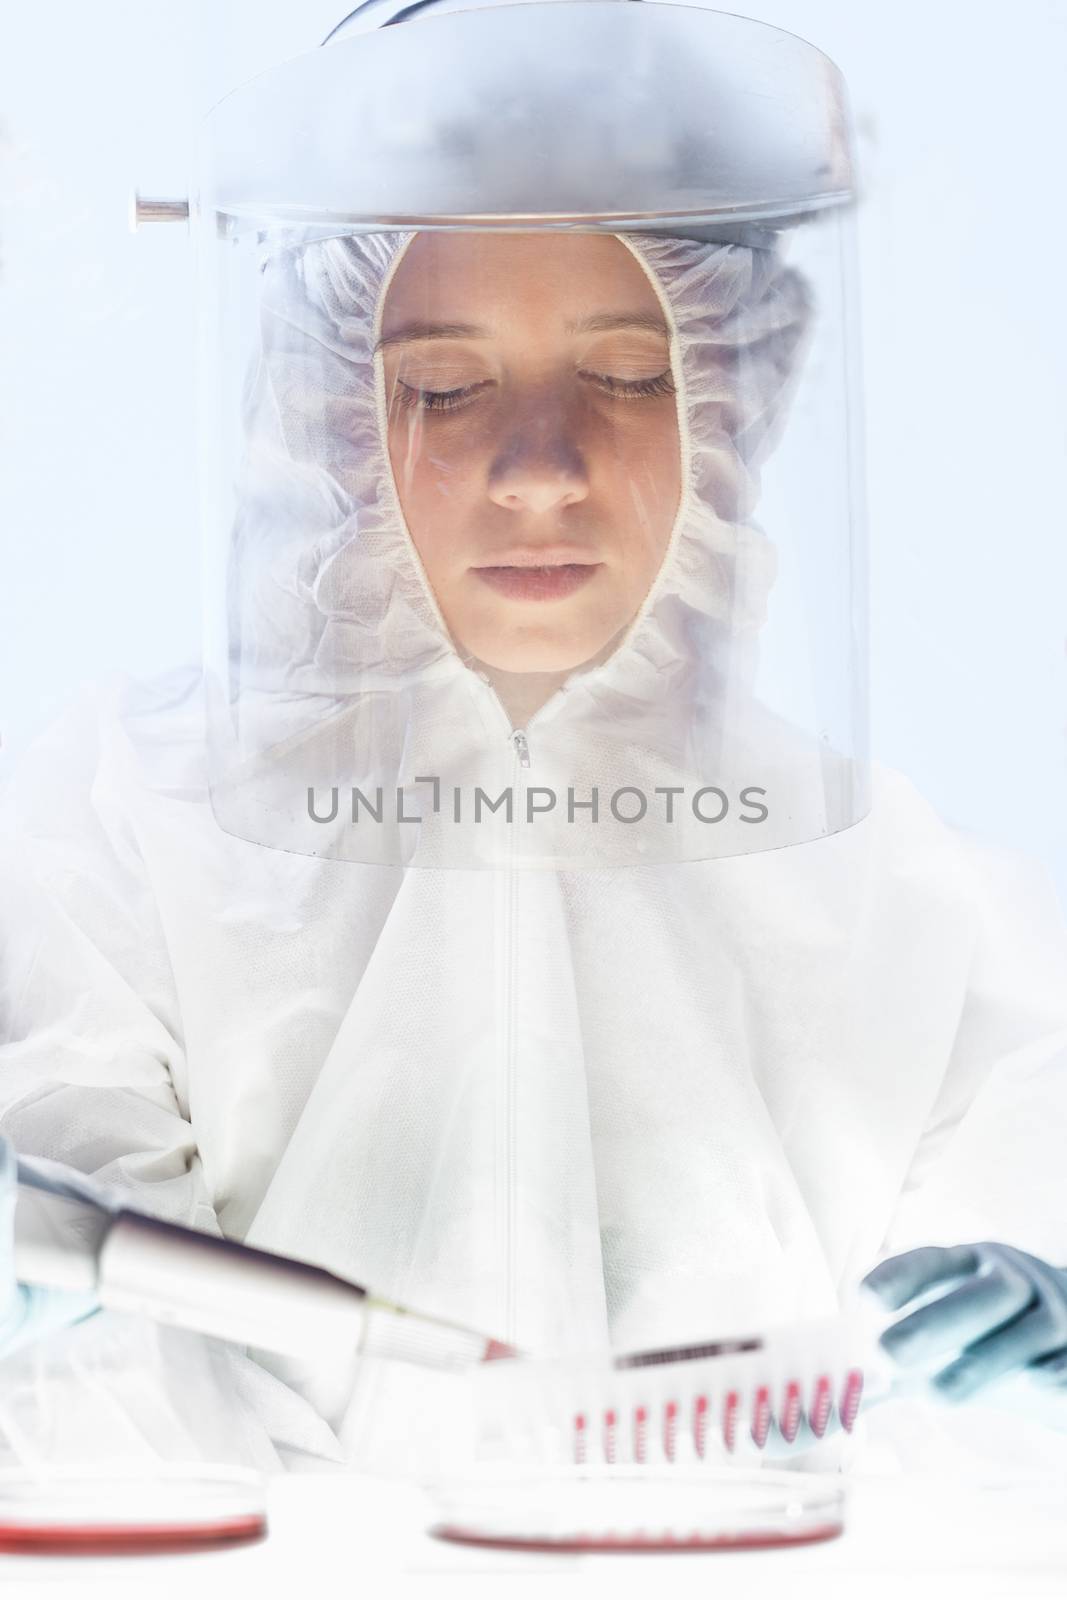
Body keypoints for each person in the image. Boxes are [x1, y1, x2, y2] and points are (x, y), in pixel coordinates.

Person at [1, 2, 1066, 1477]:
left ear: (731, 393)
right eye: (445, 385)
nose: (541, 473)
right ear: (329, 417)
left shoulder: (908, 904)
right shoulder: (123, 833)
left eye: (628, 377)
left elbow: (1017, 1219)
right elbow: (97, 1391)